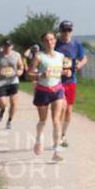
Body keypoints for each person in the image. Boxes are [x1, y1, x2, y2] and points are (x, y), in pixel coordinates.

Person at [26, 32, 67, 163]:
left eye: (52, 39)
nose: (50, 42)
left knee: (56, 120)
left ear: (55, 41)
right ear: (43, 42)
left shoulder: (61, 56)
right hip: (42, 91)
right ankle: (38, 139)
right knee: (43, 120)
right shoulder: (39, 57)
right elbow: (28, 75)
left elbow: (63, 70)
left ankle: (57, 151)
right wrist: (40, 75)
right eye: (46, 40)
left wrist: (67, 72)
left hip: (57, 90)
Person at [55, 19, 87, 148]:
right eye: (64, 30)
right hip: (57, 81)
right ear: (60, 31)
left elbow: (84, 57)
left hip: (71, 81)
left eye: (69, 30)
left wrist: (80, 64)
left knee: (68, 110)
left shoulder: (76, 45)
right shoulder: (56, 45)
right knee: (62, 108)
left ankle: (63, 134)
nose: (66, 32)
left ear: (72, 31)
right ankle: (58, 136)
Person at [0, 39, 24, 130]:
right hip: (1, 82)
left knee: (14, 103)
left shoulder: (16, 55)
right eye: (5, 45)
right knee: (3, 103)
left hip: (13, 81)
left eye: (9, 46)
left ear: (12, 46)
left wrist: (20, 71)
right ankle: (2, 110)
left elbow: (21, 66)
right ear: (3, 46)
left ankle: (9, 121)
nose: (7, 47)